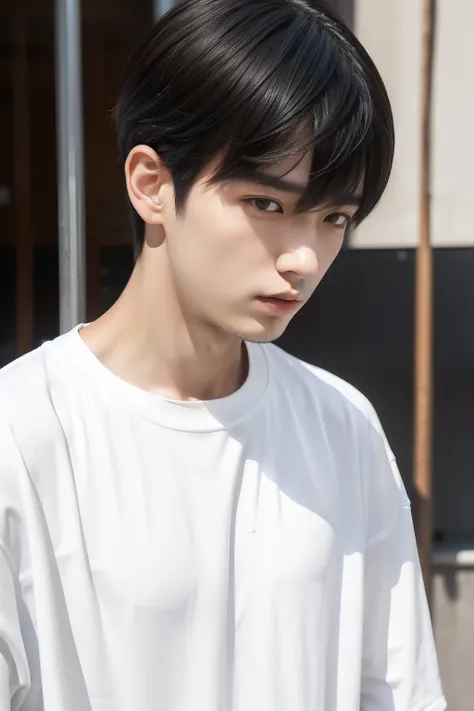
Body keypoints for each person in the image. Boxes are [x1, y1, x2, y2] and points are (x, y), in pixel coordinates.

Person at [0, 1, 446, 709]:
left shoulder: (341, 426)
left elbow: (394, 692)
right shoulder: (22, 431)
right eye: (267, 203)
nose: (303, 258)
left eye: (334, 217)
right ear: (151, 183)